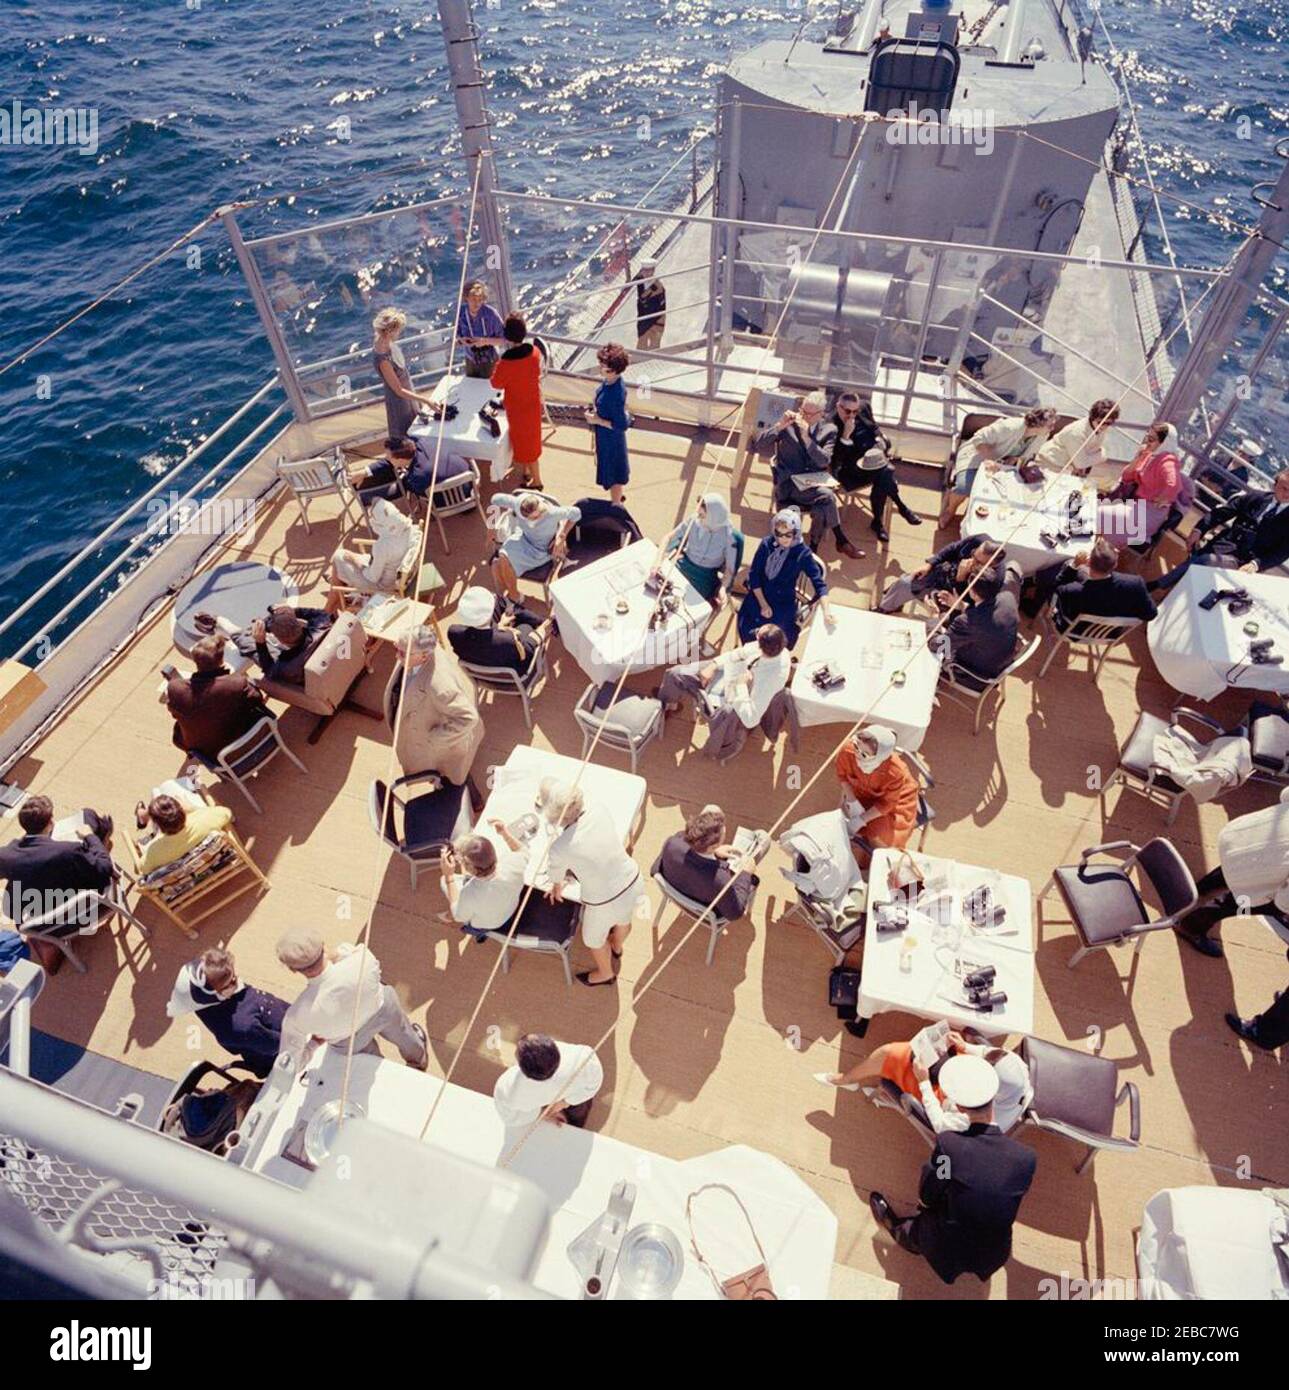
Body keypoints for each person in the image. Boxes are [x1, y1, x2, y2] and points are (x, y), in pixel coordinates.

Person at [869, 1053, 1038, 1284]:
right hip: (993, 1254)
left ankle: (901, 1231)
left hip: (946, 1245)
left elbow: (929, 1192)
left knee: (918, 1227)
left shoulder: (950, 1146)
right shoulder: (1026, 1158)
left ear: (959, 1106)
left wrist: (927, 1203)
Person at [815, 1028, 1034, 1135]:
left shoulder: (977, 1121)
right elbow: (987, 1052)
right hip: (961, 1086)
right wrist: (966, 1048)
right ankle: (862, 1078)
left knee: (891, 1054)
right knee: (946, 1037)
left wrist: (923, 1083)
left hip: (945, 1102)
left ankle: (845, 1080)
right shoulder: (1015, 1067)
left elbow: (939, 1124)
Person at [542, 782, 648, 987]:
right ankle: (617, 947)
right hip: (633, 880)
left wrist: (557, 885)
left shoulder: (559, 847)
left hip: (603, 901)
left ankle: (606, 973)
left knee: (592, 939)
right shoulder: (599, 810)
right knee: (624, 919)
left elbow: (555, 875)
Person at [276, 927, 428, 1069]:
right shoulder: (361, 959)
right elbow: (346, 952)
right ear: (324, 946)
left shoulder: (296, 1015)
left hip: (349, 1040)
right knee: (403, 1033)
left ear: (293, 970)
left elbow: (293, 1065)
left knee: (372, 1065)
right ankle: (419, 1060)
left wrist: (314, 1044)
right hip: (382, 1009)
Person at [1171, 787, 1289, 959]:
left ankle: (1196, 890)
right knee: (1248, 900)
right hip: (1273, 859)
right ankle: (1190, 926)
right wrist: (1280, 908)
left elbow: (1286, 794)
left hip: (1253, 834)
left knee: (1244, 861)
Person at [1149, 465, 1289, 594]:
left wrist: (1257, 564)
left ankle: (1157, 585)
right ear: (1275, 484)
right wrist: (1199, 530)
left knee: (1203, 561)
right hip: (1224, 546)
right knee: (1199, 561)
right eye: (1285, 488)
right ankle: (1168, 594)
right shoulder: (1256, 497)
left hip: (1247, 563)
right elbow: (1221, 512)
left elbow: (1282, 553)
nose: (1288, 494)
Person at [755, 391, 863, 558]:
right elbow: (758, 444)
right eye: (802, 411)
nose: (803, 417)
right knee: (828, 497)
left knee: (822, 507)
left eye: (809, 414)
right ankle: (840, 540)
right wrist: (779, 426)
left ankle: (813, 546)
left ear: (821, 415)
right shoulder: (788, 425)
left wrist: (807, 438)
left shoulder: (829, 430)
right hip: (788, 485)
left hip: (811, 485)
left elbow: (823, 460)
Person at [0, 796, 115, 943]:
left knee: (15, 887)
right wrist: (90, 837)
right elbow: (105, 869)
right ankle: (102, 833)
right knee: (88, 815)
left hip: (47, 925)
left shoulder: (6, 856)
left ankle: (102, 831)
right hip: (87, 909)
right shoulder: (69, 850)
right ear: (50, 823)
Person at [166, 947, 288, 1079]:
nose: (238, 980)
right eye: (231, 982)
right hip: (283, 1051)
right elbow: (277, 1045)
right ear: (212, 996)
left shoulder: (213, 999)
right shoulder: (241, 1025)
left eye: (234, 975)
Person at [393, 626, 485, 800]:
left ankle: (473, 801)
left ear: (424, 656)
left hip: (446, 746)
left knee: (454, 775)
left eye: (403, 653)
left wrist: (435, 739)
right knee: (450, 772)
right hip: (437, 725)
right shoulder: (425, 654)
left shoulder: (439, 687)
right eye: (396, 647)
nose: (396, 656)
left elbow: (469, 718)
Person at [816, 391, 920, 542]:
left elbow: (874, 427)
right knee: (886, 474)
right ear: (838, 407)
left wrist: (880, 438)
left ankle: (881, 520)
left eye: (855, 411)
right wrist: (845, 436)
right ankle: (894, 512)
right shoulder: (830, 424)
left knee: (883, 475)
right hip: (849, 469)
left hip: (872, 460)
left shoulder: (864, 407)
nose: (852, 415)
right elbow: (834, 459)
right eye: (848, 411)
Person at [658, 624, 792, 730]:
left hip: (731, 699)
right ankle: (670, 705)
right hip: (731, 671)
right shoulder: (774, 648)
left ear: (762, 647)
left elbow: (751, 720)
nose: (755, 633)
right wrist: (713, 665)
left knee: (687, 682)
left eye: (757, 634)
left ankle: (663, 712)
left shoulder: (771, 679)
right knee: (674, 673)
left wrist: (741, 686)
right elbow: (737, 655)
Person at [941, 405, 1057, 523]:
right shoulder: (1010, 426)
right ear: (1038, 424)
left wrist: (1015, 458)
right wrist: (990, 460)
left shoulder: (1042, 435)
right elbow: (979, 438)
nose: (1052, 429)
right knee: (964, 487)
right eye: (1050, 425)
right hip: (977, 457)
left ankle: (970, 515)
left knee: (1004, 493)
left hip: (1004, 466)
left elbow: (1028, 454)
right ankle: (950, 510)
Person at [736, 508, 832, 650]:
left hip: (782, 603)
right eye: (779, 534)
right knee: (750, 632)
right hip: (759, 596)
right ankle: (753, 659)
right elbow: (754, 575)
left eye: (789, 534)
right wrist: (763, 604)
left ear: (796, 531)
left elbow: (820, 585)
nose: (783, 539)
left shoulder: (802, 553)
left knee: (775, 639)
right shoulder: (767, 544)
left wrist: (826, 611)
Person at [165, 635, 267, 761]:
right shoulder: (236, 683)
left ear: (195, 660)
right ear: (221, 660)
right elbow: (257, 699)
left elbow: (174, 713)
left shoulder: (175, 688)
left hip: (208, 753)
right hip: (243, 739)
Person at [654, 806, 761, 921]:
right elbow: (735, 913)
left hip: (678, 888)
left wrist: (713, 852)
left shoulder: (672, 843)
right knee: (764, 840)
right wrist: (745, 874)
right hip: (707, 908)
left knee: (712, 808)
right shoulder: (720, 879)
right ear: (712, 846)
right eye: (723, 836)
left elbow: (657, 867)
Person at [1099, 421, 1184, 551]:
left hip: (1149, 514)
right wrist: (1138, 457)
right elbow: (1126, 477)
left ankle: (1104, 553)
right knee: (1102, 516)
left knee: (1101, 513)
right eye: (1147, 437)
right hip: (1136, 506)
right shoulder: (1149, 455)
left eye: (1151, 439)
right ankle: (1103, 553)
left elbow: (1173, 485)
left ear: (1164, 443)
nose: (1147, 442)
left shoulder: (1167, 460)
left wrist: (1162, 499)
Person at [493, 1033, 605, 1128]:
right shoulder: (582, 1058)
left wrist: (542, 1112)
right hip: (574, 1096)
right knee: (578, 1116)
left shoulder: (509, 1089)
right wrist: (565, 1103)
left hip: (540, 1106)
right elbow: (594, 1084)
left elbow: (511, 1118)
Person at [835, 726, 921, 851]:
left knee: (881, 842)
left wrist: (861, 819)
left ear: (880, 757)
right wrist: (852, 800)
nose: (857, 754)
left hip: (894, 800)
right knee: (839, 826)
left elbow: (887, 803)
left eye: (864, 754)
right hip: (859, 792)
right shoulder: (848, 749)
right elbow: (842, 775)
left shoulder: (895, 772)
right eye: (856, 746)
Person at [1044, 536, 1158, 630]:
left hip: (1070, 630)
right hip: (1106, 634)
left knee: (1066, 566)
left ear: (1088, 562)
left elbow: (1053, 592)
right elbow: (1151, 614)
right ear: (1115, 565)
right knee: (1079, 574)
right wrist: (1119, 616)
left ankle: (1033, 605)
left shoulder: (1072, 591)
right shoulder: (1136, 584)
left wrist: (1073, 566)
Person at [877, 533, 1007, 615]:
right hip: (942, 571)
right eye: (973, 554)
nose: (971, 560)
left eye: (978, 562)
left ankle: (895, 601)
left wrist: (960, 578)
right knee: (905, 582)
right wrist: (930, 564)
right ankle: (888, 607)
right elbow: (952, 548)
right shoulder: (980, 540)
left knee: (909, 587)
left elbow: (969, 603)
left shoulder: (992, 580)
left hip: (951, 596)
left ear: (991, 565)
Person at [324, 497, 416, 612]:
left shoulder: (383, 546)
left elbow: (372, 577)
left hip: (382, 585)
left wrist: (355, 561)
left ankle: (328, 607)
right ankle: (337, 580)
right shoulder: (410, 529)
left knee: (338, 556)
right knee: (343, 559)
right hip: (394, 570)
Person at [488, 491, 581, 601]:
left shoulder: (552, 512)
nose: (539, 517)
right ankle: (513, 595)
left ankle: (512, 598)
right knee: (501, 558)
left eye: (540, 513)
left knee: (499, 565)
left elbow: (576, 513)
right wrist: (490, 528)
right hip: (522, 539)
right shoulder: (516, 503)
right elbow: (494, 499)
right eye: (534, 517)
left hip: (541, 552)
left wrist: (562, 535)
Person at [216, 605, 334, 688]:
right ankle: (230, 628)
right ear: (298, 623)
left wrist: (260, 643)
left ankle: (227, 627)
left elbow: (269, 670)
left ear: (280, 640)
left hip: (302, 670)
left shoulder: (286, 667)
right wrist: (294, 611)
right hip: (331, 664)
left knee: (250, 646)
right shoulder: (323, 627)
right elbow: (322, 614)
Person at [439, 828, 528, 938]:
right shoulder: (513, 863)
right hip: (511, 907)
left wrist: (449, 877)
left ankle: (449, 917)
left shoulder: (469, 893)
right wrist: (505, 833)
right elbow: (523, 850)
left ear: (469, 867)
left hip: (490, 924)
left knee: (443, 881)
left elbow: (458, 916)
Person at [490, 312, 546, 487]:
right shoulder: (535, 353)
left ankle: (537, 481)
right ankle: (527, 472)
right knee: (530, 442)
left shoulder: (506, 363)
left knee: (524, 444)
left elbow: (496, 384)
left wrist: (496, 366)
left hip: (517, 408)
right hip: (533, 403)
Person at [447, 585, 551, 677]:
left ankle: (533, 617)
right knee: (525, 626)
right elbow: (528, 649)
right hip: (512, 674)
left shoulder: (453, 633)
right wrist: (541, 631)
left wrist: (499, 626)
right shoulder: (509, 640)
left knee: (502, 602)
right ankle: (543, 622)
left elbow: (483, 641)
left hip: (483, 669)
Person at [658, 493, 742, 605]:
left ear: (714, 516)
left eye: (702, 515)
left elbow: (729, 570)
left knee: (686, 606)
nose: (698, 517)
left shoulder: (731, 536)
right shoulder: (694, 520)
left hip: (705, 577)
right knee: (660, 590)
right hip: (683, 566)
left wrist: (722, 589)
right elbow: (668, 538)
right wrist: (657, 562)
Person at [938, 583, 1021, 688]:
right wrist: (960, 605)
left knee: (930, 633)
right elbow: (984, 613)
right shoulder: (1008, 597)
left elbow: (939, 646)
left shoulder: (967, 622)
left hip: (975, 675)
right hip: (995, 665)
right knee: (946, 622)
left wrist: (934, 620)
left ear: (973, 593)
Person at [348, 436, 470, 506]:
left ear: (400, 459)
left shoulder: (417, 476)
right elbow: (392, 463)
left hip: (456, 498)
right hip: (468, 477)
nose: (387, 459)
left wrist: (404, 475)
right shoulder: (420, 442)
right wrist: (365, 471)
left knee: (401, 486)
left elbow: (411, 488)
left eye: (389, 457)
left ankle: (366, 497)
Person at [372, 307, 436, 439]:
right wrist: (426, 400)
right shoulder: (383, 359)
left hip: (408, 392)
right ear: (390, 331)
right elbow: (398, 390)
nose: (399, 334)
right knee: (407, 434)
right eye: (398, 330)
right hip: (400, 402)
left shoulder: (383, 340)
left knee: (416, 427)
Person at [134, 794, 234, 875]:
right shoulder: (205, 819)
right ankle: (144, 813)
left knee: (155, 792)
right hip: (213, 858)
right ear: (182, 810)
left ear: (158, 827)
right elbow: (228, 813)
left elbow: (141, 869)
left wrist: (155, 839)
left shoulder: (155, 850)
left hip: (188, 876)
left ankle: (143, 814)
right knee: (164, 789)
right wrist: (192, 809)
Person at [585, 342, 632, 506]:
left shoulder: (615, 393)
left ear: (613, 370)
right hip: (606, 437)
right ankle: (617, 497)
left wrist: (596, 420)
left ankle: (616, 504)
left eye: (603, 366)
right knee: (613, 470)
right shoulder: (611, 382)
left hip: (611, 440)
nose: (600, 368)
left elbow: (621, 426)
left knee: (614, 473)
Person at [1034, 397, 1121, 481]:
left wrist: (1086, 460)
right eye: (1100, 422)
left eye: (1109, 423)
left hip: (1066, 466)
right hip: (1049, 464)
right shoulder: (1077, 433)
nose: (1104, 426)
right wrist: (1103, 454)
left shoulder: (1099, 428)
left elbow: (1090, 452)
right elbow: (1081, 463)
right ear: (1092, 417)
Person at [456, 279, 506, 378]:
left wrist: (484, 341)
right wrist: (462, 340)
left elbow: (503, 340)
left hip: (490, 361)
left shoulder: (491, 314)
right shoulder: (461, 313)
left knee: (490, 389)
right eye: (474, 299)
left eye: (480, 300)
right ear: (466, 298)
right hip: (470, 359)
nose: (477, 304)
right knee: (472, 386)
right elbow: (457, 335)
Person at [635, 258, 666, 351]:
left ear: (653, 271)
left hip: (655, 318)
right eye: (644, 271)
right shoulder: (640, 281)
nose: (647, 273)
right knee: (641, 342)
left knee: (654, 343)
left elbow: (661, 306)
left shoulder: (658, 287)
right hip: (643, 316)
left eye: (649, 271)